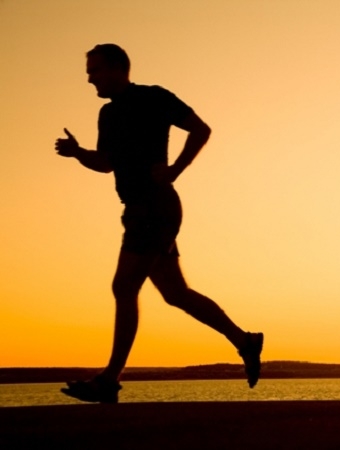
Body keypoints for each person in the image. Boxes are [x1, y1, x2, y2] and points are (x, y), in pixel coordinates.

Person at [54, 44, 263, 403]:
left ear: (119, 69)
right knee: (174, 293)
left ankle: (109, 379)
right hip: (137, 209)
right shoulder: (107, 114)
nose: (90, 78)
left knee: (123, 287)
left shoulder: (153, 98)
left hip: (156, 207)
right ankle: (244, 340)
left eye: (96, 70)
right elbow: (106, 163)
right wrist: (78, 155)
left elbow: (200, 129)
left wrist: (175, 170)